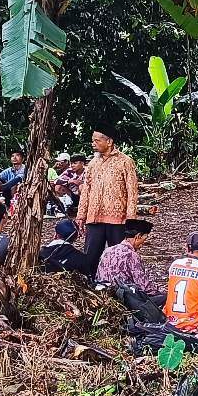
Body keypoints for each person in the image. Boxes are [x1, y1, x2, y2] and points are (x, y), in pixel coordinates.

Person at [77, 125, 138, 259]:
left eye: (97, 141)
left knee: (119, 256)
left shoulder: (125, 162)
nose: (93, 144)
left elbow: (132, 191)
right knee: (90, 255)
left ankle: (119, 280)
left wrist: (131, 219)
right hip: (94, 217)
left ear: (109, 142)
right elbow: (86, 190)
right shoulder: (93, 163)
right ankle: (90, 280)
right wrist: (81, 216)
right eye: (93, 141)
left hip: (118, 219)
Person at [95, 219, 160, 295]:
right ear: (138, 236)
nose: (142, 245)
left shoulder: (108, 250)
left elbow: (98, 276)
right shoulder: (131, 255)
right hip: (122, 296)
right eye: (144, 240)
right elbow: (145, 287)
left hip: (102, 292)